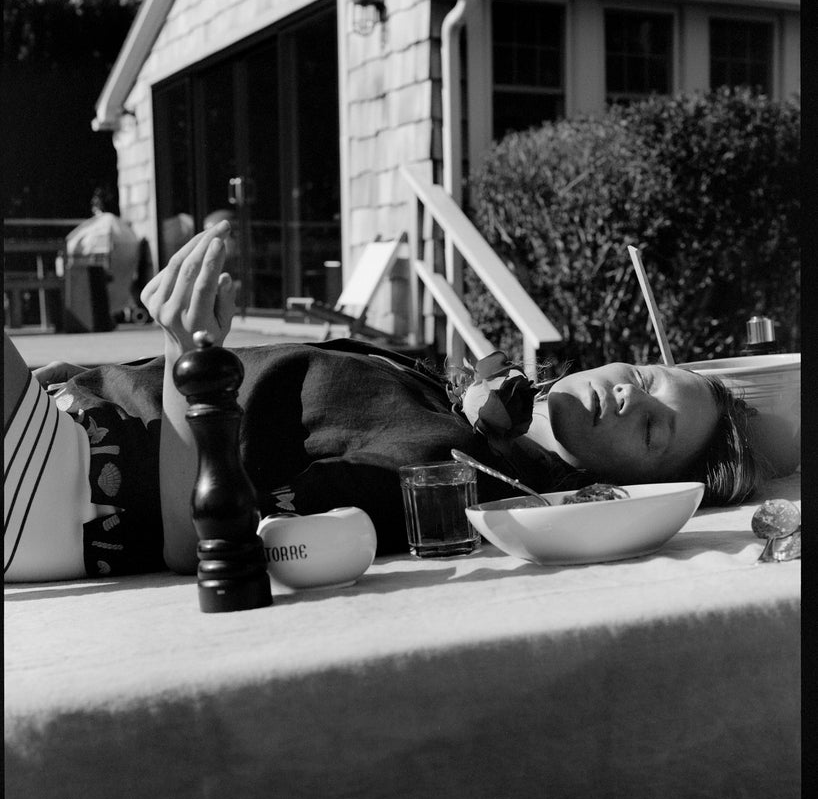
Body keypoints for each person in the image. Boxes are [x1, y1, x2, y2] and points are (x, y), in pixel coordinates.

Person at [5, 221, 762, 583]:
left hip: (67, 490)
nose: (632, 395)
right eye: (645, 374)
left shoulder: (458, 483)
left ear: (634, 486)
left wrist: (188, 358)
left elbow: (197, 541)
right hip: (59, 418)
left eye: (656, 427)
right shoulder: (462, 403)